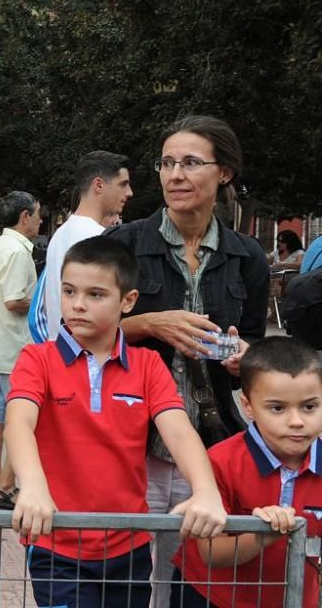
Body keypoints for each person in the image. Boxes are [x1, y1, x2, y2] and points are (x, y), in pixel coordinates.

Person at [6, 236, 227, 608]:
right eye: (69, 291)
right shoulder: (37, 359)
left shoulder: (147, 365)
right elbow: (18, 423)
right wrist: (31, 486)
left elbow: (178, 429)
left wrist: (206, 491)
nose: (77, 304)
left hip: (129, 547)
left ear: (128, 301)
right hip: (55, 542)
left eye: (95, 294)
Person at [105, 115, 270, 608]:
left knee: (191, 584)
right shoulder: (124, 245)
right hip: (132, 447)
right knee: (125, 582)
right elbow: (75, 333)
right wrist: (149, 324)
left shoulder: (246, 257)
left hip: (212, 448)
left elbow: (260, 348)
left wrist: (246, 359)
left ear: (224, 174)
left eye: (191, 163)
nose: (175, 175)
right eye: (167, 163)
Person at [171, 336, 321, 608]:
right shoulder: (220, 461)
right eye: (277, 408)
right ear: (248, 406)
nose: (297, 421)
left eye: (310, 407)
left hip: (293, 599)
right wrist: (261, 535)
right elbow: (212, 553)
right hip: (210, 596)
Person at [0, 191, 41, 510]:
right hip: (15, 348)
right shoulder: (17, 251)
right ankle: (4, 484)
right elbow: (14, 300)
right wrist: (45, 301)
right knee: (22, 418)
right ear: (25, 216)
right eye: (38, 214)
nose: (40, 221)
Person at [34, 150, 133, 341]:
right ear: (98, 185)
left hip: (60, 350)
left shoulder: (59, 235)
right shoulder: (100, 239)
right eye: (123, 184)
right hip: (86, 355)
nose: (129, 193)